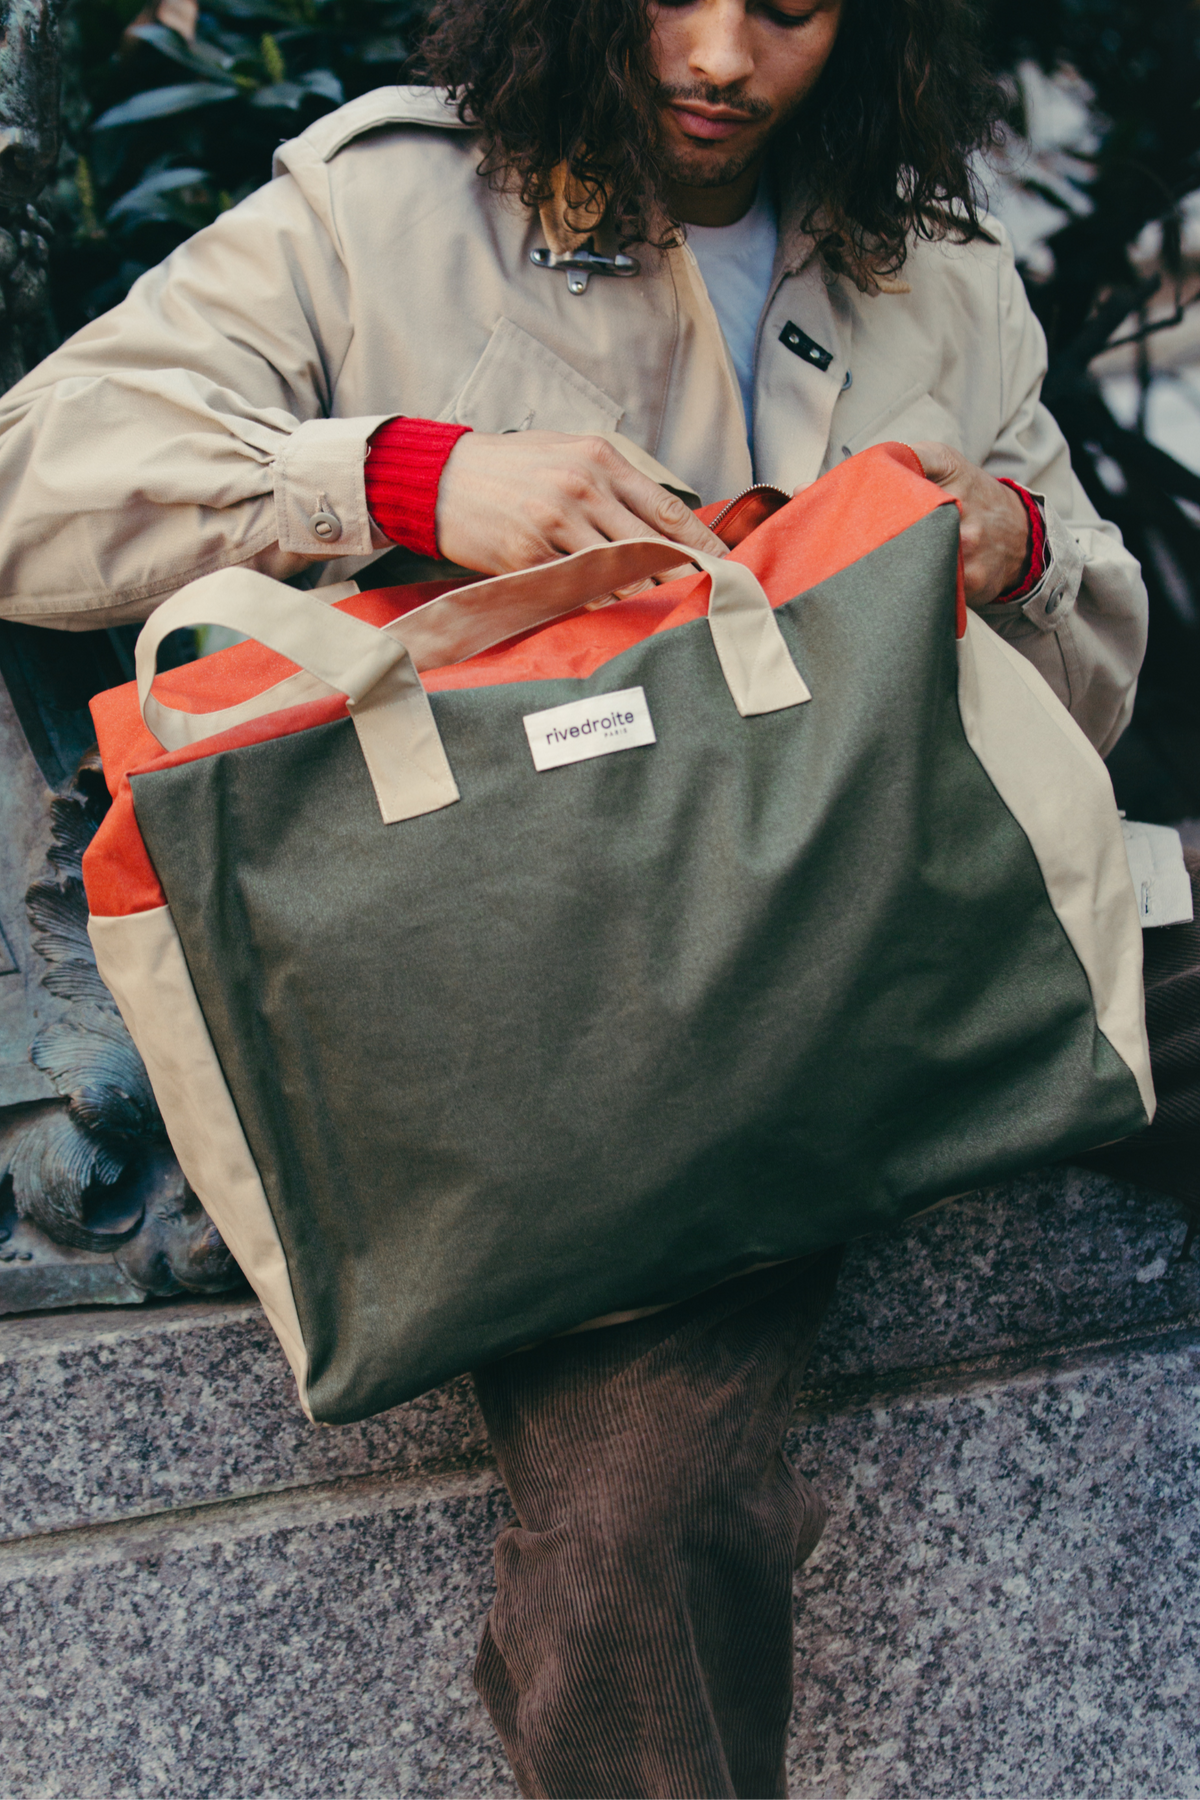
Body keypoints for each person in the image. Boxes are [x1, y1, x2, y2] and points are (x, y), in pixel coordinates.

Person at [0, 1, 1166, 1795]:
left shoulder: (932, 264)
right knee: (635, 1525)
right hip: (595, 1048)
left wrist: (1013, 546)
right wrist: (400, 476)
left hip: (911, 941)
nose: (722, 56)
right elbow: (32, 475)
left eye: (789, 7)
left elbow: (1088, 702)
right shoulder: (389, 208)